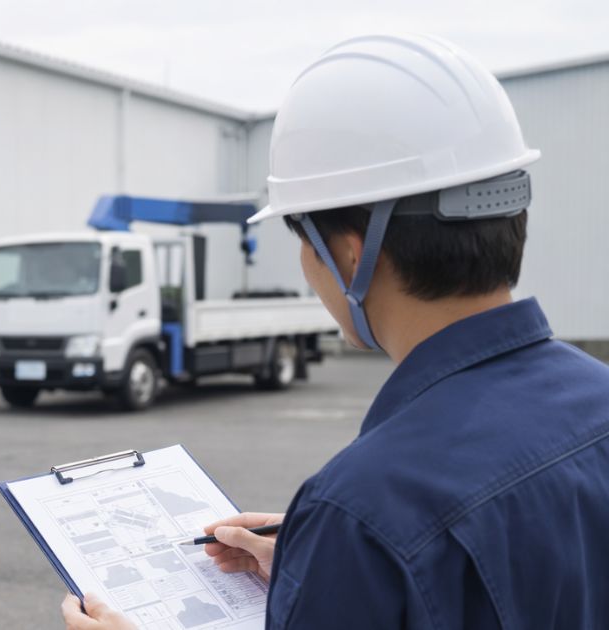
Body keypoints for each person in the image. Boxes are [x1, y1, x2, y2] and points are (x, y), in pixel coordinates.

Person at [62, 33, 609, 629]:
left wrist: (340, 555)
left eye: (303, 242)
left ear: (351, 254)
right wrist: (317, 569)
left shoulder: (362, 509)